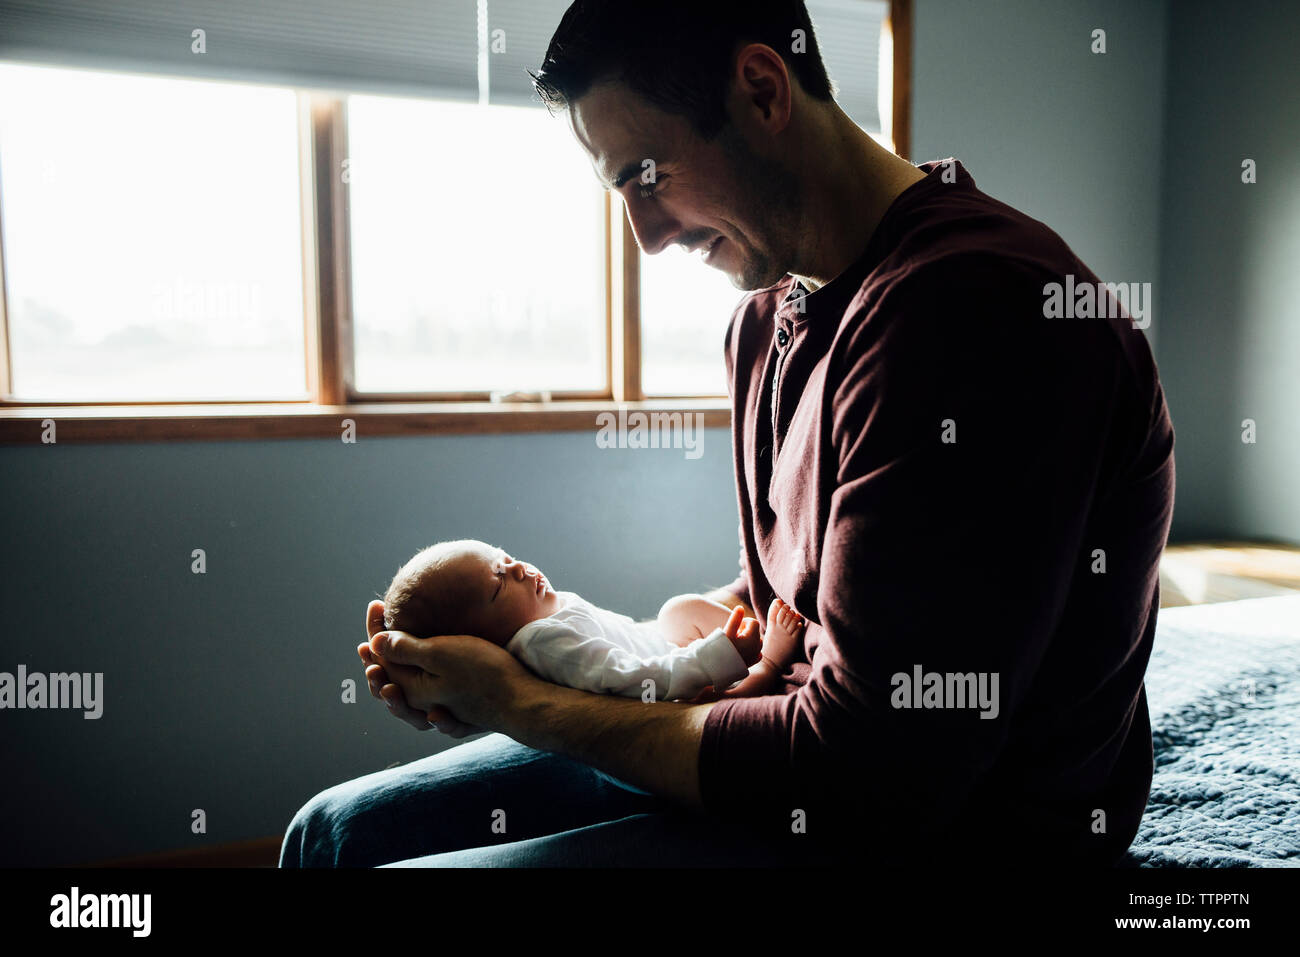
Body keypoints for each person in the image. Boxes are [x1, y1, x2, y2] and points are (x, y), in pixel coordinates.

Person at [281, 0, 1174, 868]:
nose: (644, 235)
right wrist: (511, 649)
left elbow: (878, 777)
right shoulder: (766, 318)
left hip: (944, 831)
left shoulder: (980, 311)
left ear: (761, 89)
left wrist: (522, 702)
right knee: (334, 832)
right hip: (780, 746)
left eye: (645, 174)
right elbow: (797, 595)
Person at [379, 539, 806, 702]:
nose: (519, 569)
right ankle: (768, 665)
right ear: (482, 641)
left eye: (506, 559)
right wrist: (717, 655)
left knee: (675, 611)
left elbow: (621, 639)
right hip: (660, 698)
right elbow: (635, 679)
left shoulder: (541, 616)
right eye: (498, 585)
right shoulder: (544, 644)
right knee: (704, 704)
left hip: (661, 657)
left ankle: (755, 638)